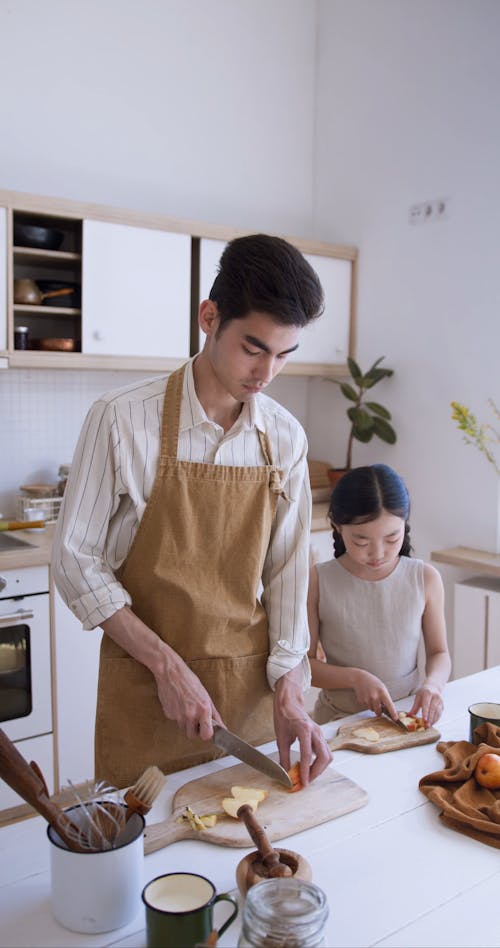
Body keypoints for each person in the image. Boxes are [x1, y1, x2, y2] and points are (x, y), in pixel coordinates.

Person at [52, 233, 333, 790]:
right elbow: (75, 560)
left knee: (251, 855)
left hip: (249, 701)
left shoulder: (285, 438)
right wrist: (165, 666)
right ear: (209, 317)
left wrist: (290, 688)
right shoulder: (121, 419)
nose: (266, 373)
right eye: (253, 348)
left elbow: (286, 573)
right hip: (145, 687)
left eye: (283, 355)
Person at [307, 464, 451, 727]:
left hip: (406, 718)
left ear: (405, 525)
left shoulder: (425, 579)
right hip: (338, 721)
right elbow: (305, 667)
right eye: (361, 542)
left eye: (392, 538)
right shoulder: (318, 580)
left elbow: (439, 652)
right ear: (337, 527)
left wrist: (433, 685)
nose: (378, 553)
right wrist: (355, 678)